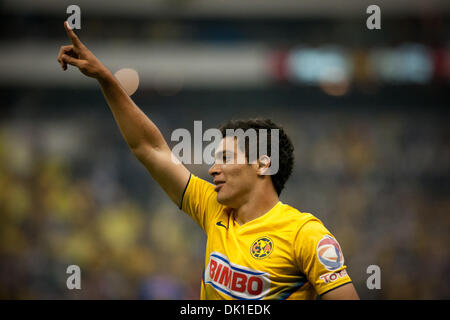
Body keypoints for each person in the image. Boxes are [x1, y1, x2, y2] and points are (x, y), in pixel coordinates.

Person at [57, 22, 359, 300]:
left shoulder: (305, 234)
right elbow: (149, 148)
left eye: (225, 158)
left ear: (263, 164)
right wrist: (105, 78)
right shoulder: (213, 208)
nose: (212, 169)